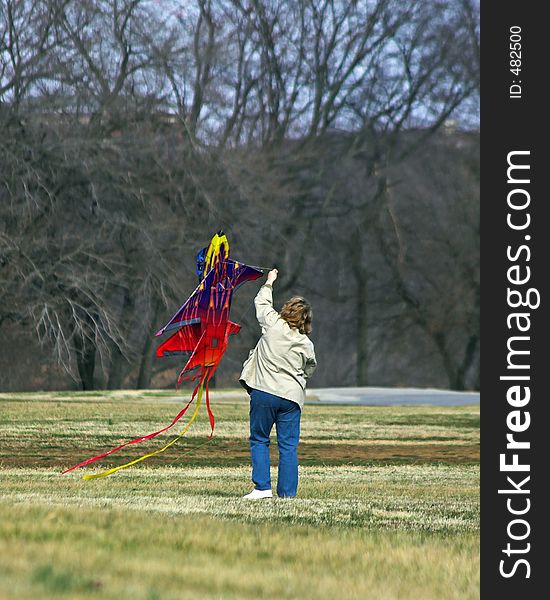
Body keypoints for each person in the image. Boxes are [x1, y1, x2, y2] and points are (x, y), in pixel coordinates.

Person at [239, 269, 317, 499]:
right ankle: (287, 495)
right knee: (288, 447)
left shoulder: (273, 324)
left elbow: (261, 302)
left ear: (286, 311)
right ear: (306, 320)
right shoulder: (306, 343)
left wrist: (270, 281)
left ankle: (262, 488)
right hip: (292, 399)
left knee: (260, 439)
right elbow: (310, 368)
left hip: (264, 392)